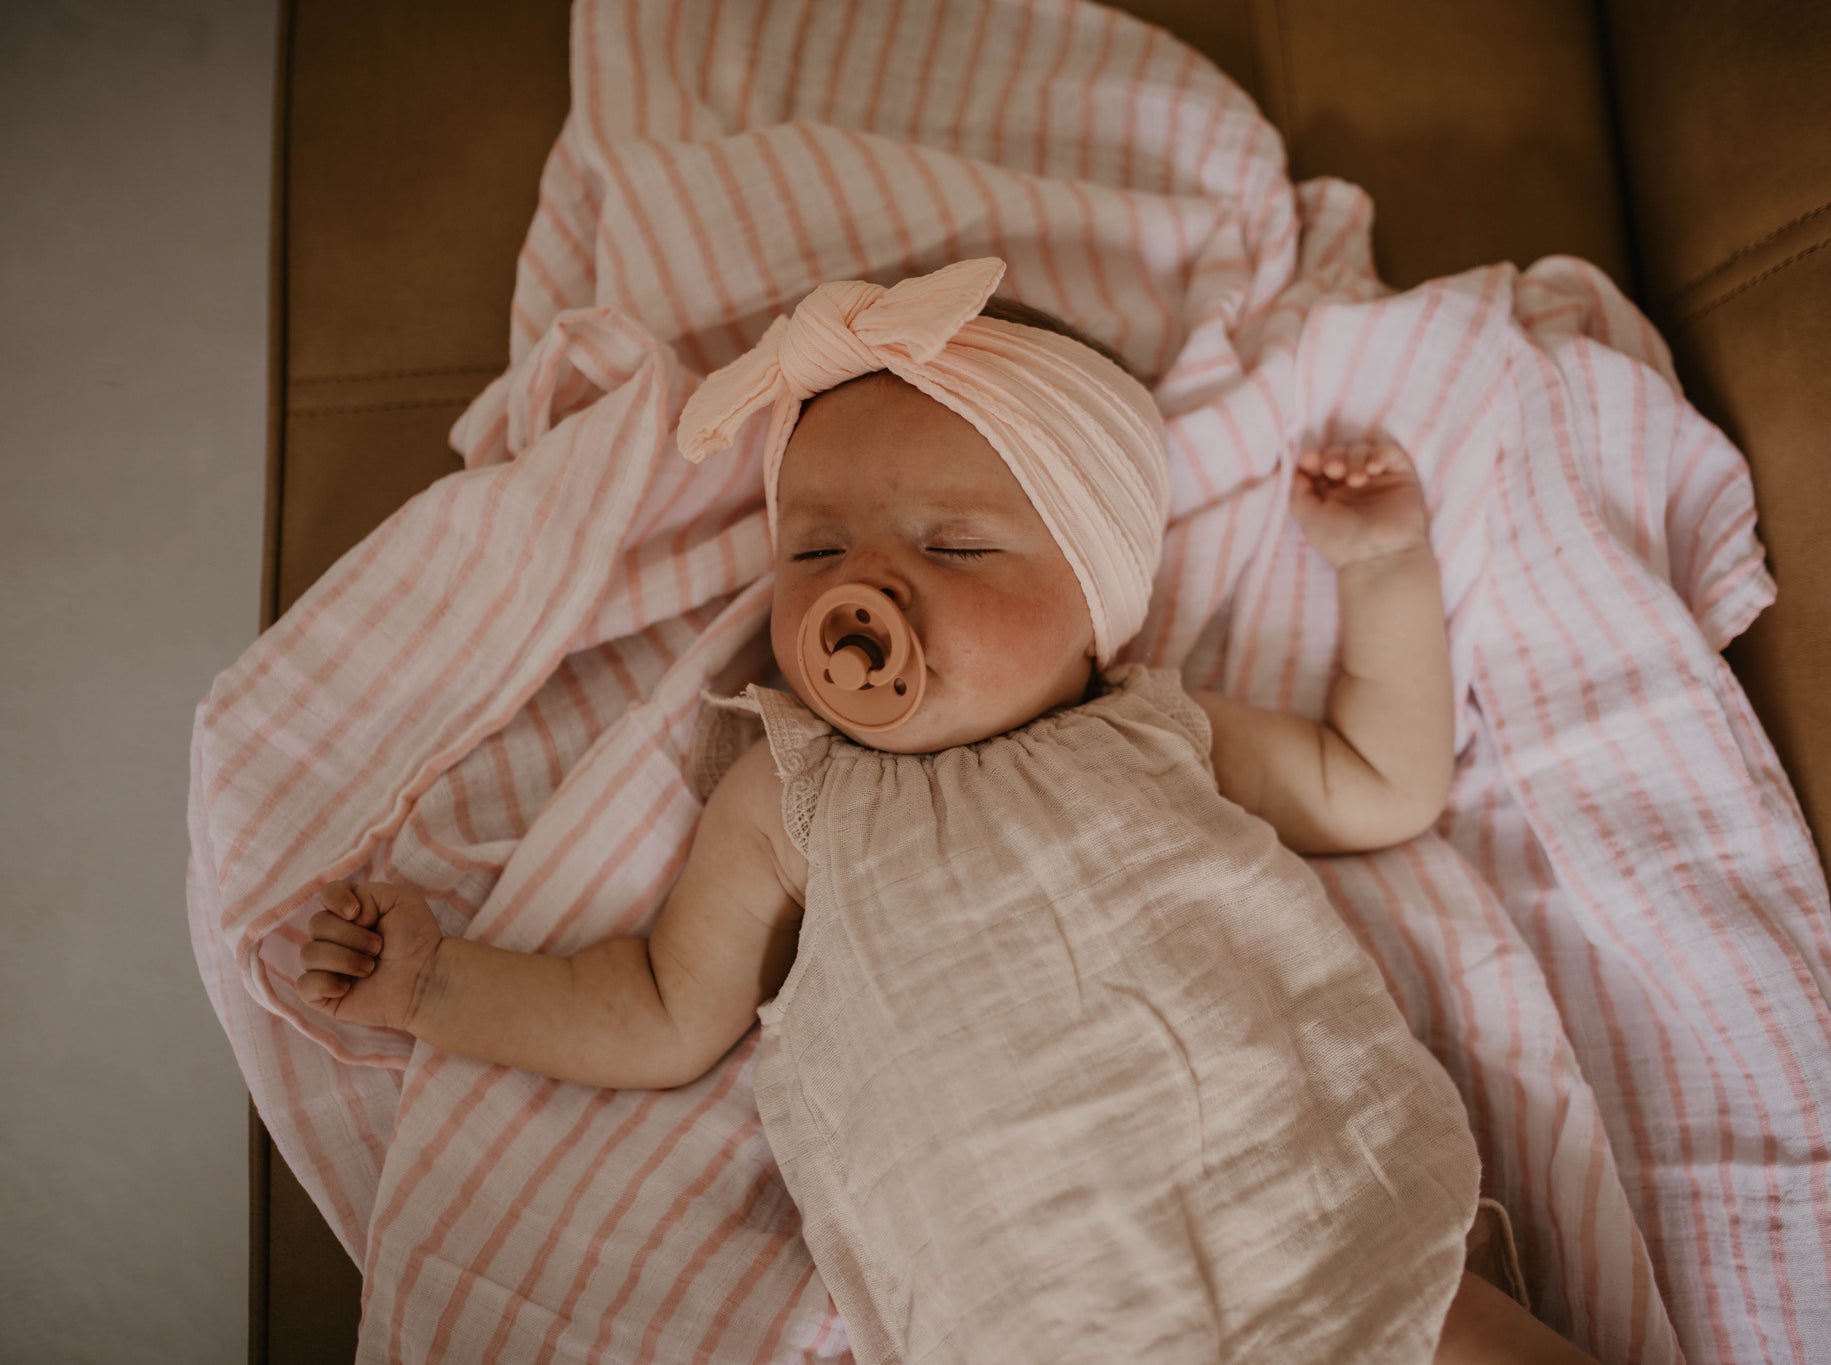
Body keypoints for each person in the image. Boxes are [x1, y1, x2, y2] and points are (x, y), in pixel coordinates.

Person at [295, 258, 1594, 1364]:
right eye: (813, 550)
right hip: (1040, 1307)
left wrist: (1383, 574)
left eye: (955, 547)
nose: (864, 585)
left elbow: (1383, 777)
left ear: (1097, 593)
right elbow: (652, 1003)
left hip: (1316, 1217)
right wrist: (439, 988)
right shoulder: (793, 793)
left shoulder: (1153, 730)